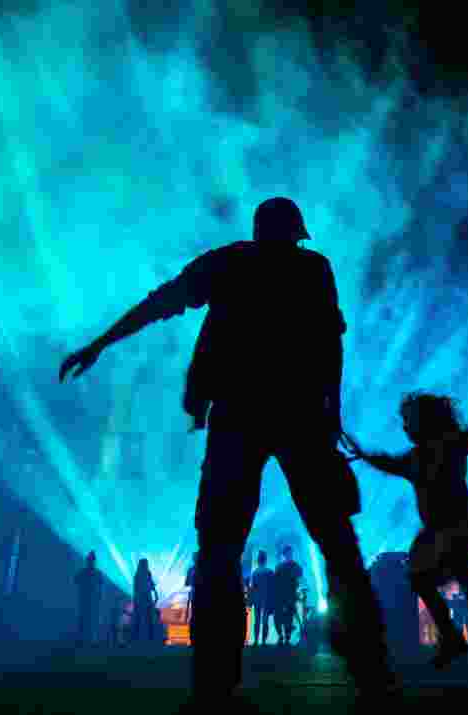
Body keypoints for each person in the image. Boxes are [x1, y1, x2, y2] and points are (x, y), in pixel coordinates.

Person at [60, 197, 394, 704]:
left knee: (220, 547)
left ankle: (216, 684)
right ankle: (371, 669)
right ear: (295, 232)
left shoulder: (228, 263)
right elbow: (331, 343)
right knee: (336, 540)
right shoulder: (312, 268)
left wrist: (101, 343)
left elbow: (160, 303)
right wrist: (332, 410)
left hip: (239, 412)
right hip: (299, 411)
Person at [343, 392, 468, 668]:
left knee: (448, 566)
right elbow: (393, 463)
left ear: (424, 422)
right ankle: (466, 630)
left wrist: (366, 456)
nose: (405, 427)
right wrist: (365, 455)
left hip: (455, 521)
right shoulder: (428, 451)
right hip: (442, 526)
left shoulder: (439, 447)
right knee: (434, 572)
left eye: (409, 421)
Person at [273, 545, 304, 646]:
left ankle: (285, 636)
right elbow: (299, 578)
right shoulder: (290, 566)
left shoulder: (281, 566)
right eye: (288, 553)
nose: (289, 555)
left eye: (290, 553)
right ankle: (285, 636)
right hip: (286, 595)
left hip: (286, 595)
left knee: (286, 616)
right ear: (286, 554)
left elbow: (299, 578)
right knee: (286, 616)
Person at [75, 551, 105, 646]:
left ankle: (89, 640)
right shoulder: (91, 572)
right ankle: (86, 640)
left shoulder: (93, 573)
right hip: (87, 599)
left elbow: (76, 580)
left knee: (91, 620)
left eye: (92, 560)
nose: (91, 562)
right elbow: (76, 580)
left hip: (91, 600)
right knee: (87, 620)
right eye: (91, 560)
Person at [249, 550, 275, 646]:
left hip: (257, 600)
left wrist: (250, 601)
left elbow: (252, 588)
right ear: (265, 560)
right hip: (267, 599)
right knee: (265, 621)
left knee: (257, 620)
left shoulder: (255, 572)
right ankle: (263, 641)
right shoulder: (270, 572)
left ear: (258, 560)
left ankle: (256, 641)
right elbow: (273, 587)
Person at [131, 558, 159, 643]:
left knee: (148, 617)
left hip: (145, 597)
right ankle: (137, 637)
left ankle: (150, 637)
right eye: (145, 564)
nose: (146, 565)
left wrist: (155, 593)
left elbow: (151, 584)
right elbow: (136, 588)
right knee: (140, 617)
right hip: (141, 598)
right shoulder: (138, 574)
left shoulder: (146, 573)